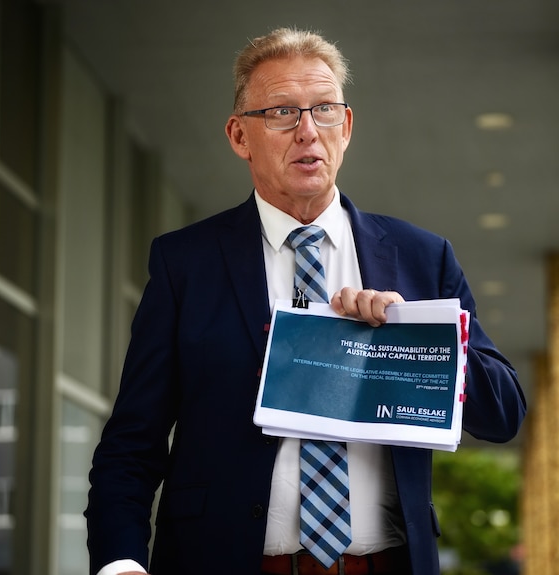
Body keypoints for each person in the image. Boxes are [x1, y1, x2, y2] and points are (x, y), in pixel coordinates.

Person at [85, 27, 526, 575]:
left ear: (347, 127)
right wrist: (120, 563)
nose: (307, 132)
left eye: (324, 111)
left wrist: (415, 340)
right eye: (281, 113)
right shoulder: (186, 265)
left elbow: (504, 413)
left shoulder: (421, 257)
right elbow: (131, 444)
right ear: (239, 136)